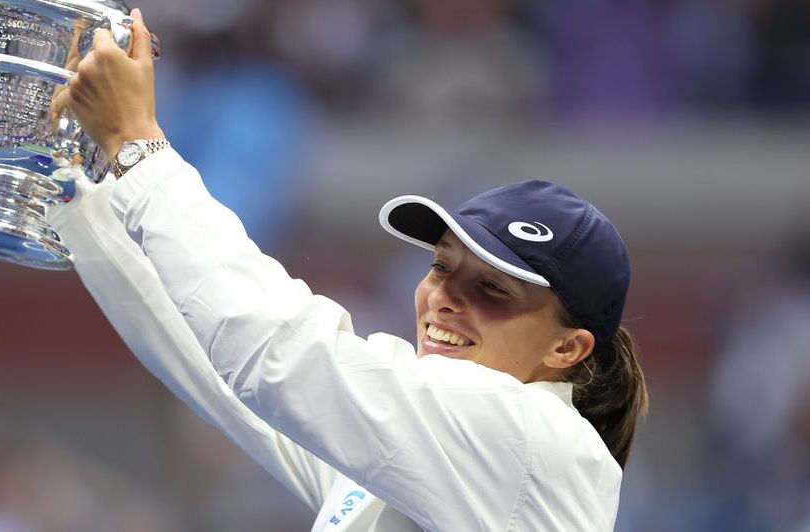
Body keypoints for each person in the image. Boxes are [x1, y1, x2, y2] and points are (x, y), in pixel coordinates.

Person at [49, 9, 648, 531]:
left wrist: (137, 145)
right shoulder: (431, 454)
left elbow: (277, 351)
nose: (444, 298)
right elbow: (222, 366)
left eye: (491, 288)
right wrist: (72, 183)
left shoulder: (528, 438)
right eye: (442, 267)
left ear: (567, 349)